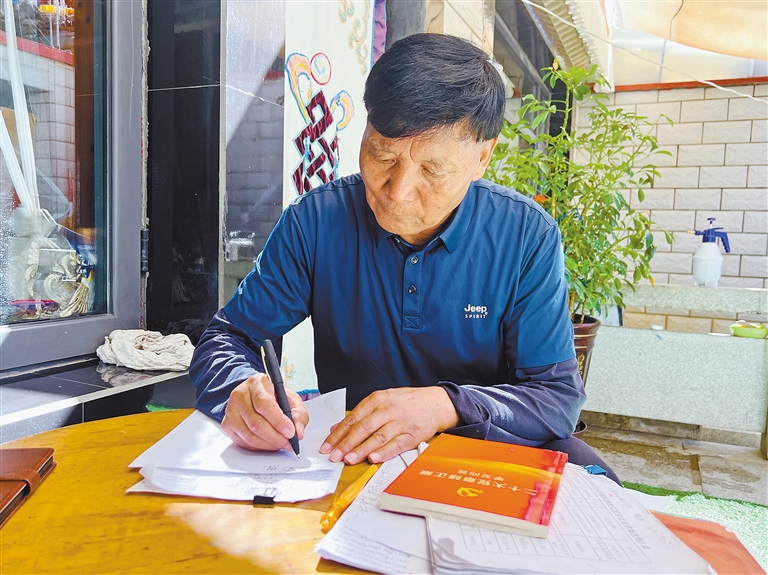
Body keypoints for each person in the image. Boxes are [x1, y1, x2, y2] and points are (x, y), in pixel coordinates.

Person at [191, 33, 619, 483]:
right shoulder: (315, 221)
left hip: (478, 456)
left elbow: (555, 398)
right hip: (353, 455)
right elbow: (226, 338)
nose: (397, 192)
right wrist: (240, 388)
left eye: (433, 170)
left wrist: (446, 404)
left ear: (483, 157)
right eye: (383, 156)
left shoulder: (525, 236)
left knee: (602, 488)